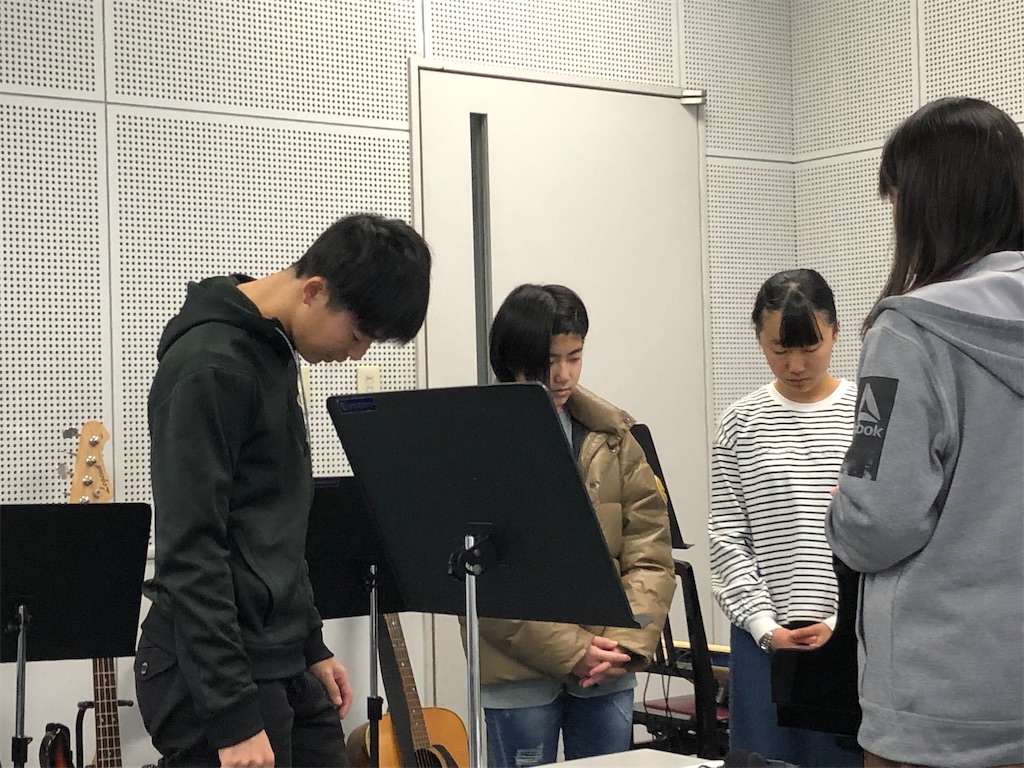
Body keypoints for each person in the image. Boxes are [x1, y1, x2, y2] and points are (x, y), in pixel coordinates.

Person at [134, 213, 432, 768]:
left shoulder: (272, 353)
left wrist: (310, 644)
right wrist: (233, 719)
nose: (358, 355)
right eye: (358, 336)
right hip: (212, 670)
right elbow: (191, 551)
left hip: (278, 655)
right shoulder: (210, 366)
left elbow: (273, 527)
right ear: (314, 291)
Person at [825, 97, 1024, 768]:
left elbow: (877, 522)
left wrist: (842, 511)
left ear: (924, 204)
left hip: (940, 707)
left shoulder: (909, 333)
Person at [477, 283, 675, 766]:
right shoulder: (477, 439)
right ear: (512, 358)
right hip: (518, 673)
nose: (563, 375)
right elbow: (480, 581)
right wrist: (572, 650)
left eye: (575, 357)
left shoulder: (614, 437)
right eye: (549, 360)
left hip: (608, 664)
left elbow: (651, 553)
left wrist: (625, 644)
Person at [708, 268, 862, 767]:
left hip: (850, 640)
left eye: (810, 347)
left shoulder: (867, 416)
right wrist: (764, 625)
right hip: (764, 643)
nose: (795, 365)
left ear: (835, 331)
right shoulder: (740, 422)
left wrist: (841, 621)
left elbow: (883, 533)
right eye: (779, 349)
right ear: (758, 338)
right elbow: (728, 539)